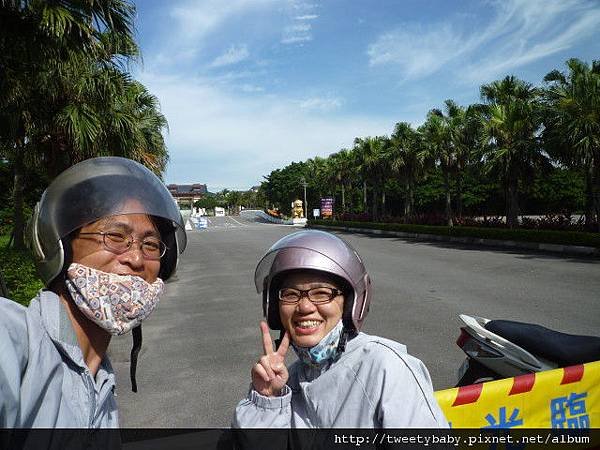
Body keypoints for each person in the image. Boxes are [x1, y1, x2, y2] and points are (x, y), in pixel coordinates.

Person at [0, 157, 187, 428]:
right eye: (115, 236)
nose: (136, 258)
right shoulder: (15, 340)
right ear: (61, 245)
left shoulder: (104, 392)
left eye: (150, 244)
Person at [233, 230, 447, 428]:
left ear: (350, 303)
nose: (305, 307)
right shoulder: (288, 383)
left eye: (321, 293)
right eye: (290, 294)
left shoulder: (385, 368)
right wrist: (267, 401)